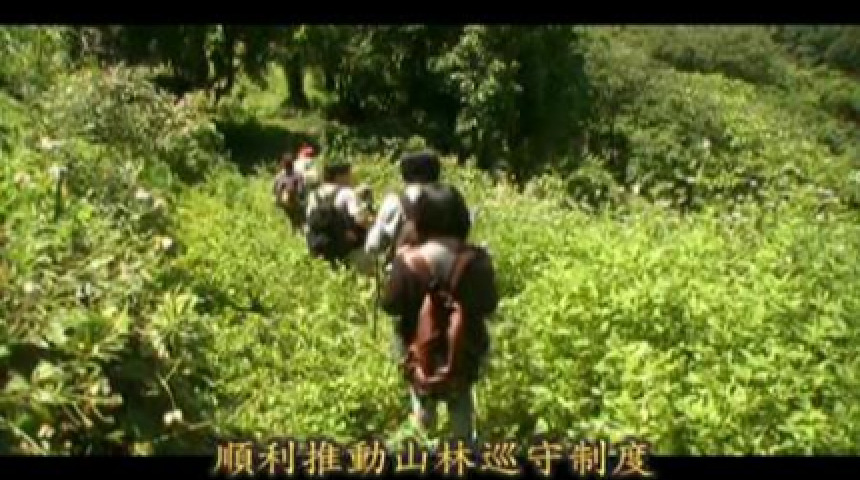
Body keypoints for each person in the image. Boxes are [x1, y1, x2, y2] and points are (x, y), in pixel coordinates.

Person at [381, 183, 497, 442]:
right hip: (465, 349)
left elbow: (391, 306)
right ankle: (464, 447)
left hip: (418, 349)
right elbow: (489, 305)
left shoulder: (406, 261)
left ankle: (423, 439)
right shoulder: (476, 259)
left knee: (422, 410)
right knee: (462, 406)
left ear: (420, 218)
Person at [365, 151, 469, 269]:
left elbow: (373, 245)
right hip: (455, 270)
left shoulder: (395, 201)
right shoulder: (454, 197)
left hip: (412, 271)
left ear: (405, 174)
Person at [305, 161, 373, 271]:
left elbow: (309, 219)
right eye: (349, 174)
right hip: (350, 248)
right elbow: (360, 220)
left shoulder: (314, 194)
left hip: (324, 248)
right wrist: (372, 223)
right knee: (365, 275)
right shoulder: (346, 192)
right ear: (339, 176)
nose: (351, 177)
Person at [273, 153, 305, 230]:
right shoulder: (298, 175)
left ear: (283, 164)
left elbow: (275, 190)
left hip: (286, 202)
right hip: (293, 202)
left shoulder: (279, 176)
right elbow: (301, 190)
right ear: (292, 164)